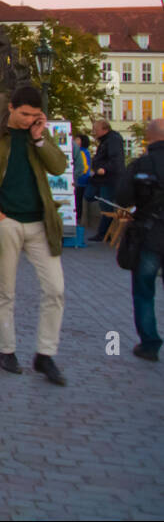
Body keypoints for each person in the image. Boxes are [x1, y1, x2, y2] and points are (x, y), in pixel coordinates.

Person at [0, 85, 69, 385]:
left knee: (55, 289)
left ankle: (45, 354)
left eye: (35, 116)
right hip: (5, 221)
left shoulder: (38, 136)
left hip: (40, 224)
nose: (29, 120)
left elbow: (59, 166)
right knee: (5, 292)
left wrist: (39, 138)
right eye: (25, 115)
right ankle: (6, 350)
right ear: (11, 108)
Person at [116, 118, 164, 361]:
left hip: (149, 234)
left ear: (149, 138)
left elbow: (123, 197)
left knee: (144, 291)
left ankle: (149, 344)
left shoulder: (142, 164)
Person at [89, 119, 126, 242]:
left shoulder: (112, 140)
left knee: (106, 204)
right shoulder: (108, 139)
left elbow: (116, 159)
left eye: (96, 129)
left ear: (104, 129)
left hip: (109, 178)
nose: (94, 132)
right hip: (105, 178)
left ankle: (103, 233)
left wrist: (104, 169)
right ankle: (103, 232)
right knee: (101, 201)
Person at [73, 133, 93, 227]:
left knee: (78, 203)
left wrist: (75, 175)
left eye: (77, 139)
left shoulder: (80, 151)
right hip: (84, 180)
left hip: (81, 180)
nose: (74, 140)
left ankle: (77, 221)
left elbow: (84, 167)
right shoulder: (86, 151)